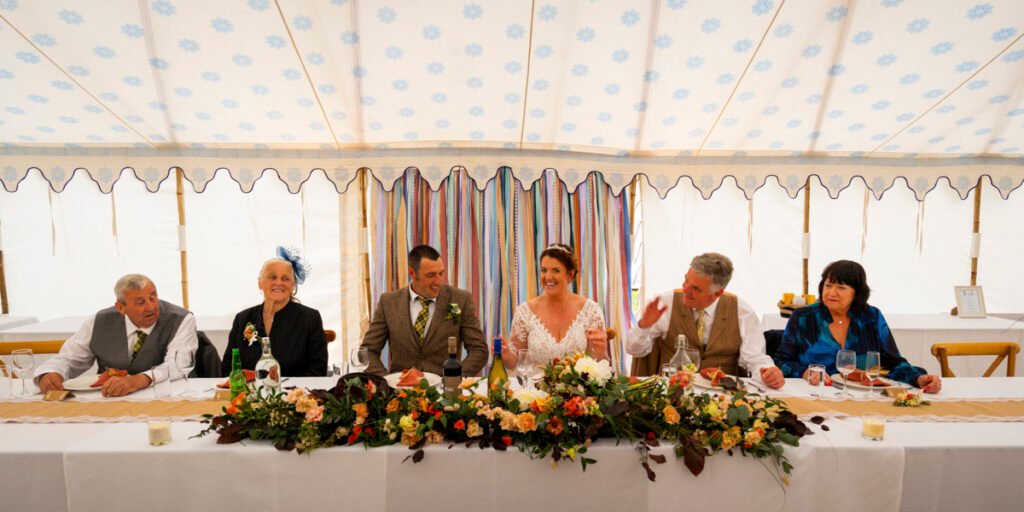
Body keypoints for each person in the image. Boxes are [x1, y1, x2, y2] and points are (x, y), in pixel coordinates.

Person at [773, 260, 941, 392]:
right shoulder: (803, 317)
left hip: (863, 396)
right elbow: (781, 361)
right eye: (828, 285)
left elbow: (893, 361)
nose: (831, 292)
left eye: (841, 287)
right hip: (816, 392)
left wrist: (918, 379)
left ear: (857, 292)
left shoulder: (871, 317)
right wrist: (804, 372)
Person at [626, 252, 785, 389]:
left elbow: (755, 358)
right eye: (686, 281)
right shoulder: (666, 303)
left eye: (695, 288)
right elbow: (635, 350)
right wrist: (643, 326)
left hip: (723, 395)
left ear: (717, 293)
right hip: (672, 391)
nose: (686, 289)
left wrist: (768, 372)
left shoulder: (742, 312)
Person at [36, 274, 198, 397]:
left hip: (163, 396)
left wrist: (141, 379)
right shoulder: (98, 321)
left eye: (153, 297)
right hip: (107, 398)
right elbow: (70, 358)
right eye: (140, 302)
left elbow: (178, 364)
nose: (151, 307)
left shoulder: (181, 319)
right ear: (121, 308)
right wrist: (51, 373)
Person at [361, 245, 488, 376]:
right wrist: (386, 381)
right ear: (412, 273)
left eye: (441, 273)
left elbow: (479, 350)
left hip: (446, 391)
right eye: (431, 275)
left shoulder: (460, 300)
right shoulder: (388, 303)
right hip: (401, 392)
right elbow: (367, 352)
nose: (438, 281)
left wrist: (454, 377)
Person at [220, 251, 327, 377]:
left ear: (293, 285)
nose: (278, 283)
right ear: (260, 283)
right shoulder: (242, 319)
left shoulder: (310, 318)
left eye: (285, 278)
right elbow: (229, 367)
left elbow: (318, 370)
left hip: (294, 394)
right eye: (272, 277)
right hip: (250, 394)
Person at [503, 244, 608, 368]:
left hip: (577, 386)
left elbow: (599, 365)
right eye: (543, 270)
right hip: (536, 386)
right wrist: (504, 353)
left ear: (570, 275)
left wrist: (601, 351)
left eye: (556, 270)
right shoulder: (525, 312)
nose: (548, 277)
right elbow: (513, 362)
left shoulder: (591, 311)